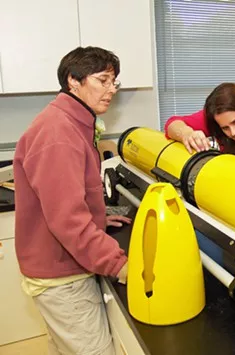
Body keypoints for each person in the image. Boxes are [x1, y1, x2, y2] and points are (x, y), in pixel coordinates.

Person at [13, 46, 130, 355]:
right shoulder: (59, 133)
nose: (111, 90)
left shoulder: (72, 121)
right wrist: (118, 264)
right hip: (61, 277)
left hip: (61, 265)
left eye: (114, 81)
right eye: (102, 80)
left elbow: (68, 197)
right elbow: (67, 220)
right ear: (73, 81)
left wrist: (99, 217)